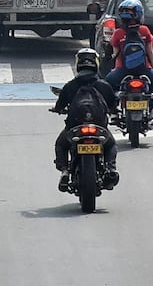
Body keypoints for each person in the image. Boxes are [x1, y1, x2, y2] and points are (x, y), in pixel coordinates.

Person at [51, 48, 120, 190]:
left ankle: (64, 171)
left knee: (61, 144)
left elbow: (60, 105)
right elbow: (114, 104)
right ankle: (111, 168)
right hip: (99, 126)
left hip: (75, 126)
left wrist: (57, 110)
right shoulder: (104, 85)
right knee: (111, 144)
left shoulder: (70, 86)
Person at [104, 0, 153, 120]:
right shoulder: (144, 31)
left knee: (109, 82)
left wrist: (109, 63)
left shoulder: (118, 33)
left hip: (122, 70)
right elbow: (150, 51)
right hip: (144, 69)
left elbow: (113, 54)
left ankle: (113, 110)